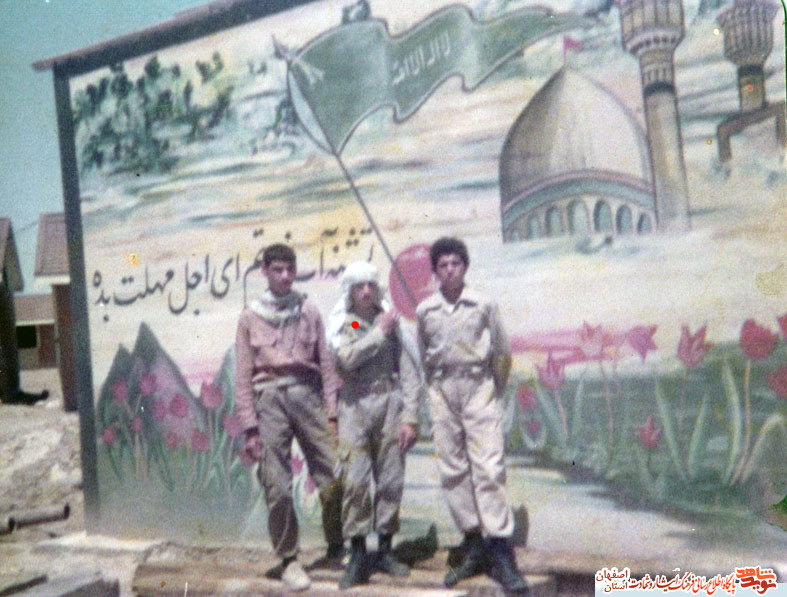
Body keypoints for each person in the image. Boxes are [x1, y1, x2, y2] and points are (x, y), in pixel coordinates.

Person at [415, 237, 528, 594]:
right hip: (443, 390)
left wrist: (492, 390)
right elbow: (423, 354)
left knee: (488, 467)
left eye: (456, 264)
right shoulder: (425, 310)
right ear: (435, 271)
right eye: (443, 265)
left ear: (465, 267)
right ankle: (474, 542)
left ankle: (500, 550)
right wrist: (435, 391)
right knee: (452, 468)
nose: (450, 270)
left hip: (478, 387)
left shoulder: (483, 304)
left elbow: (502, 352)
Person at [235, 243, 343, 592]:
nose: (284, 276)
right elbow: (242, 376)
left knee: (332, 475)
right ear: (265, 271)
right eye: (277, 270)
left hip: (308, 397)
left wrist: (332, 412)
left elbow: (326, 364)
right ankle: (289, 560)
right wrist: (250, 427)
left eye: (289, 270)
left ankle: (337, 547)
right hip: (269, 401)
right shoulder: (249, 317)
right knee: (277, 486)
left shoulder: (308, 309)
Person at [326, 261, 421, 589]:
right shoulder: (350, 321)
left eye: (370, 285)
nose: (366, 291)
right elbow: (346, 358)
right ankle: (357, 554)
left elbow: (408, 369)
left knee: (391, 479)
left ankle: (385, 550)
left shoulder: (393, 322)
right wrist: (378, 332)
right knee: (355, 481)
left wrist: (410, 417)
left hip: (389, 405)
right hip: (355, 406)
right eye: (359, 286)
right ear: (350, 291)